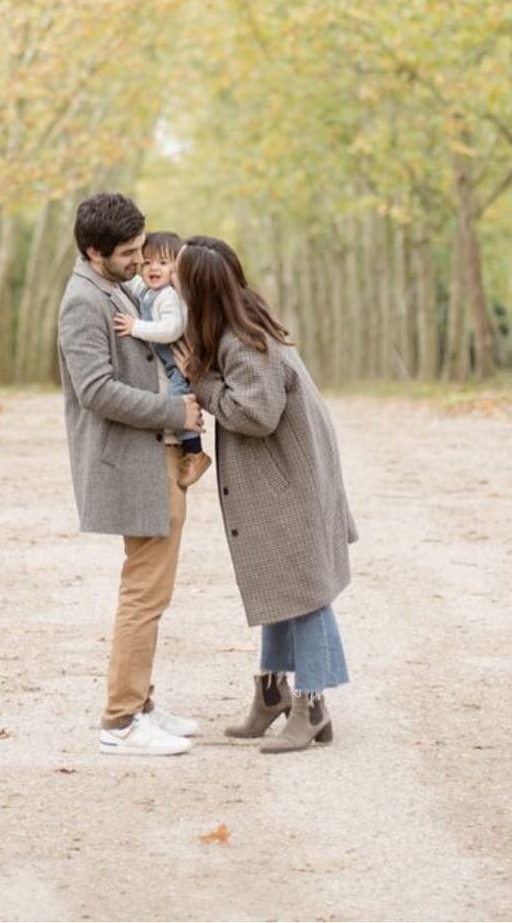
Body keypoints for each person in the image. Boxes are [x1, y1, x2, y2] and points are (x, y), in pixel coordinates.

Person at [171, 235, 358, 754]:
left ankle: (312, 703)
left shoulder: (241, 341)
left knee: (304, 592)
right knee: (281, 584)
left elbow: (257, 414)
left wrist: (200, 383)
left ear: (199, 290)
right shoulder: (241, 322)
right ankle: (272, 691)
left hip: (289, 485)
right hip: (289, 481)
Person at [57, 193, 207, 756]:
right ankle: (121, 720)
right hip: (130, 461)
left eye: (142, 247)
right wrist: (175, 411)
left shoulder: (114, 287)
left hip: (155, 455)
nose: (139, 259)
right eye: (127, 252)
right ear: (94, 251)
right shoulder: (82, 301)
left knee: (154, 589)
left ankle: (141, 701)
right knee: (144, 592)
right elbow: (94, 390)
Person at [113, 230, 212, 489]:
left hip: (178, 365)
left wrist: (135, 327)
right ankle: (191, 451)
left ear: (176, 269)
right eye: (147, 263)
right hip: (167, 364)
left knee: (179, 402)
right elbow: (128, 282)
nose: (153, 268)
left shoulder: (168, 296)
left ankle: (195, 452)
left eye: (163, 263)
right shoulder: (147, 289)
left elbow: (171, 329)